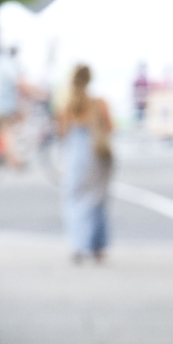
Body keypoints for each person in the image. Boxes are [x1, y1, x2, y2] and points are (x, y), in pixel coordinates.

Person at [57, 64, 113, 264]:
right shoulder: (99, 103)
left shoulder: (68, 105)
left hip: (75, 156)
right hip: (97, 154)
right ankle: (97, 246)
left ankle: (78, 244)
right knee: (97, 199)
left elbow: (62, 133)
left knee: (74, 199)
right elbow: (110, 127)